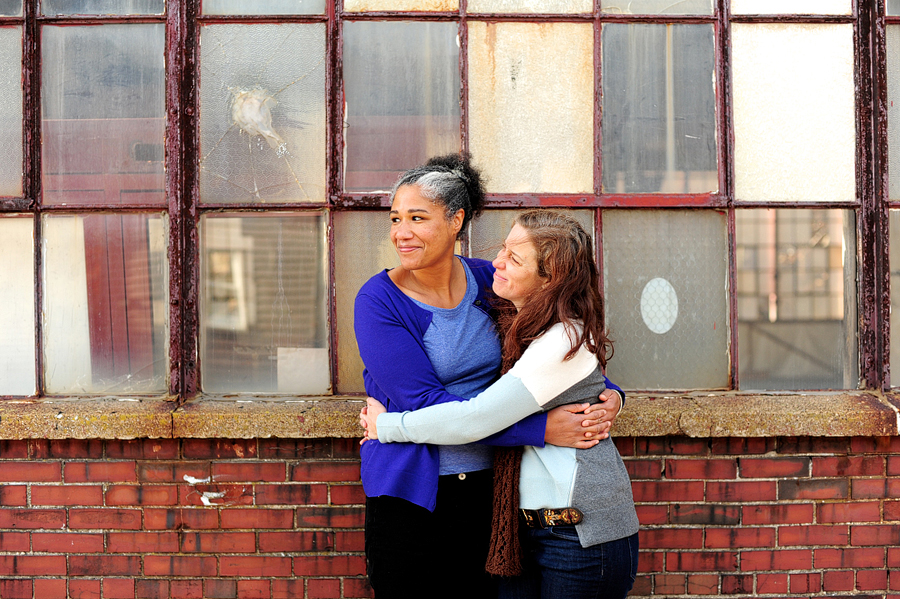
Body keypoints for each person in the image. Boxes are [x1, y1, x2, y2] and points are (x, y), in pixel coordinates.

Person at [354, 154, 624, 599]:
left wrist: (608, 394)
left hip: (493, 494)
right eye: (396, 218)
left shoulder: (491, 281)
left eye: (418, 218)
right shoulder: (379, 301)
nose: (402, 232)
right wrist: (541, 430)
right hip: (416, 496)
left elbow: (556, 346)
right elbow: (426, 406)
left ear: (456, 220)